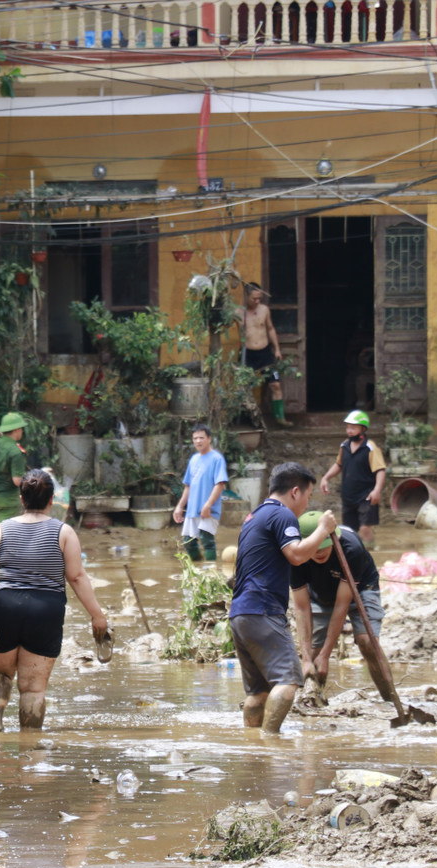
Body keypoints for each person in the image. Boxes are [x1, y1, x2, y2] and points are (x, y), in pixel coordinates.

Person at [0, 469, 108, 732]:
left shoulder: (0, 530)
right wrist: (97, 615)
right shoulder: (64, 533)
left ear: (21, 499)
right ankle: (29, 746)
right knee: (33, 688)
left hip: (3, 605)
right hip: (45, 609)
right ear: (52, 500)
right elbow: (76, 577)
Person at [229, 462, 336, 736]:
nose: (306, 504)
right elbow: (297, 554)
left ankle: (252, 746)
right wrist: (323, 529)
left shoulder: (253, 517)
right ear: (296, 491)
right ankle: (269, 743)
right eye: (309, 497)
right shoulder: (282, 515)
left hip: (240, 613)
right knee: (288, 682)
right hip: (263, 609)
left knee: (258, 692)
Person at [290, 510, 398, 705]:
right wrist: (307, 658)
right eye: (314, 548)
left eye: (324, 547)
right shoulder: (295, 556)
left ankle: (391, 700)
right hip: (320, 590)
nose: (319, 552)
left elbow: (342, 605)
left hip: (361, 587)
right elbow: (301, 608)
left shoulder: (350, 548)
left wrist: (326, 655)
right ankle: (312, 701)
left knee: (367, 643)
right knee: (313, 655)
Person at [318, 410, 387, 547]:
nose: (349, 431)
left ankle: (370, 551)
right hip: (348, 495)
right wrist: (326, 478)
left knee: (365, 528)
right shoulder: (344, 446)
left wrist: (377, 490)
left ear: (363, 428)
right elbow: (339, 464)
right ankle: (354, 556)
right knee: (349, 531)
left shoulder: (370, 447)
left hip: (366, 496)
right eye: (348, 427)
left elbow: (380, 470)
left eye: (353, 428)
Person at [172, 423, 229, 561]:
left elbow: (220, 484)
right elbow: (188, 486)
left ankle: (211, 572)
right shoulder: (194, 459)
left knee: (206, 539)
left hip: (208, 509)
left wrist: (208, 505)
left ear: (209, 439)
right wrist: (179, 507)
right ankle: (197, 569)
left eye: (201, 438)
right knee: (189, 542)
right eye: (195, 438)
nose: (198, 441)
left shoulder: (217, 458)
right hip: (192, 509)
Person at [241, 283, 291, 428]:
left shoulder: (264, 310)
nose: (257, 301)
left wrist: (277, 349)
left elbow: (270, 329)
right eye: (254, 299)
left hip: (265, 354)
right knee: (245, 387)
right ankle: (249, 419)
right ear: (246, 296)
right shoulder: (238, 312)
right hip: (247, 355)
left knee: (275, 384)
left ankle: (280, 418)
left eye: (259, 299)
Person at [0, 412, 29, 524]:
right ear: (16, 429)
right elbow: (17, 481)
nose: (22, 431)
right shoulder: (15, 451)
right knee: (7, 537)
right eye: (21, 428)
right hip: (8, 502)